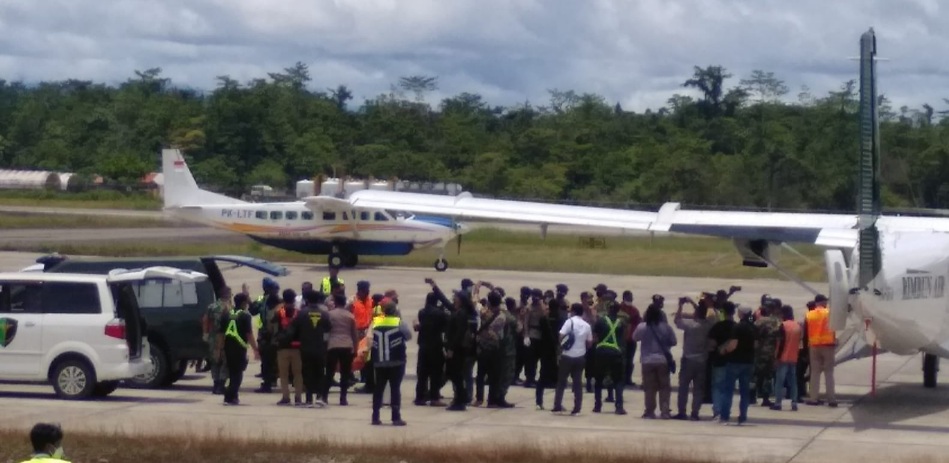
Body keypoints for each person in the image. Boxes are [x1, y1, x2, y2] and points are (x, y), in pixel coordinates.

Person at [370, 299, 413, 426]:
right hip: (396, 361)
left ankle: (375, 416)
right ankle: (395, 417)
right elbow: (408, 336)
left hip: (379, 361)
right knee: (395, 389)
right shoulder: (399, 322)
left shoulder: (376, 322)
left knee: (378, 389)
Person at [673, 296, 715, 420]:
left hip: (688, 359)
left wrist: (681, 305)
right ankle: (695, 412)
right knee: (698, 388)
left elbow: (677, 320)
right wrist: (694, 303)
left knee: (683, 387)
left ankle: (682, 411)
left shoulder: (690, 324)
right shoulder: (708, 325)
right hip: (702, 360)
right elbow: (702, 312)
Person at [632, 302, 677, 419]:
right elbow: (674, 341)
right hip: (662, 360)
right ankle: (665, 411)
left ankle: (650, 411)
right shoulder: (666, 327)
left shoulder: (642, 327)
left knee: (649, 388)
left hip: (647, 360)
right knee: (664, 387)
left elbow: (634, 338)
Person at [291, 289, 332, 407]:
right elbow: (329, 328)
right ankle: (319, 396)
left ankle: (308, 397)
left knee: (307, 372)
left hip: (306, 347)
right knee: (320, 372)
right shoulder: (324, 314)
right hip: (320, 347)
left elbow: (295, 328)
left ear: (307, 300)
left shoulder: (302, 313)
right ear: (319, 300)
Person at [217, 292, 260, 406]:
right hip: (239, 348)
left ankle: (233, 397)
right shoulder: (245, 316)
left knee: (231, 372)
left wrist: (219, 349)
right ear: (244, 303)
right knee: (238, 374)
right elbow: (249, 334)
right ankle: (229, 395)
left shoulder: (226, 314)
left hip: (228, 348)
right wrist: (255, 349)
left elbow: (221, 334)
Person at [719, 306, 757, 425]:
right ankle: (743, 417)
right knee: (745, 392)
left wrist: (724, 351)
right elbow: (756, 345)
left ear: (741, 314)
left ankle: (724, 417)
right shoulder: (753, 327)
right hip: (748, 362)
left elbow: (733, 345)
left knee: (728, 391)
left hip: (735, 361)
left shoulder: (738, 327)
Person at [592, 298, 627, 415]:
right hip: (615, 352)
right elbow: (623, 340)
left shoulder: (601, 321)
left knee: (598, 380)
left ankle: (597, 406)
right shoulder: (621, 323)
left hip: (601, 352)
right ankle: (619, 406)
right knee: (618, 380)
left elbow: (595, 337)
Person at [414, 291, 449, 406]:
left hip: (423, 345)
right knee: (435, 373)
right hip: (435, 345)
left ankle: (420, 397)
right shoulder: (440, 314)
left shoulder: (422, 312)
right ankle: (434, 397)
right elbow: (445, 327)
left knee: (422, 373)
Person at [474, 291, 507, 407]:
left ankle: (479, 399)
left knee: (480, 375)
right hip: (495, 348)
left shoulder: (483, 312)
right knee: (494, 376)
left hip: (483, 347)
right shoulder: (502, 316)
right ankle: (492, 400)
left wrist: (477, 288)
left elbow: (475, 302)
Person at [326, 292, 359, 405]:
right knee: (345, 373)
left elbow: (326, 331)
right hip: (347, 346)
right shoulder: (350, 316)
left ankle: (324, 396)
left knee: (329, 372)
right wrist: (355, 348)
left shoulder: (330, 314)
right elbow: (354, 334)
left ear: (335, 303)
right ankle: (343, 398)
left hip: (333, 345)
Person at [273, 289, 304, 406]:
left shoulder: (279, 312)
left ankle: (286, 397)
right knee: (298, 374)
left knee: (283, 374)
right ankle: (298, 397)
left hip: (283, 347)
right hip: (297, 347)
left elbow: (272, 327)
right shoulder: (299, 313)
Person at [535, 294, 566, 410]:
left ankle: (539, 402)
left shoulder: (544, 319)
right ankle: (557, 403)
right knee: (559, 378)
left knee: (542, 377)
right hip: (557, 350)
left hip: (545, 349)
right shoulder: (561, 319)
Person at [806, 294, 837, 407]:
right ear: (823, 302)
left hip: (814, 345)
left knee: (815, 373)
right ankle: (831, 399)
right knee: (829, 373)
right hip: (828, 345)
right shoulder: (829, 313)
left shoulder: (809, 314)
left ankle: (813, 398)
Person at [707, 301, 737, 419]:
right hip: (733, 362)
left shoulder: (717, 327)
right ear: (734, 312)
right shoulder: (737, 327)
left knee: (717, 387)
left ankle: (717, 411)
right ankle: (726, 412)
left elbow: (711, 345)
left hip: (719, 361)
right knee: (728, 388)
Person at [752, 298, 783, 407]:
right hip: (771, 352)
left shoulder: (760, 321)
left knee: (756, 374)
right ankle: (765, 398)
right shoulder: (778, 322)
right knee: (768, 376)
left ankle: (752, 396)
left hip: (759, 351)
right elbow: (780, 338)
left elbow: (754, 334)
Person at [203, 285, 233, 395]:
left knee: (214, 361)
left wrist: (205, 334)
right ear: (227, 295)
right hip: (225, 337)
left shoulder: (212, 306)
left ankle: (215, 385)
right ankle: (221, 385)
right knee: (224, 361)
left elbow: (206, 320)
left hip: (213, 337)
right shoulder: (230, 308)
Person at [773, 305, 802, 411]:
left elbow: (781, 343)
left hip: (783, 357)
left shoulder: (783, 326)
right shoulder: (797, 326)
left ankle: (778, 403)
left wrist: (777, 357)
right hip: (793, 357)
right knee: (793, 381)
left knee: (779, 381)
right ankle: (794, 402)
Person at [619, 290, 641, 387]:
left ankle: (628, 378)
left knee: (630, 360)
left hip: (631, 339)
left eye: (631, 298)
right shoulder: (619, 309)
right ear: (624, 298)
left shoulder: (634, 310)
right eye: (628, 298)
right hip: (622, 339)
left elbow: (638, 322)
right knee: (621, 359)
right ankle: (621, 378)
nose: (630, 300)